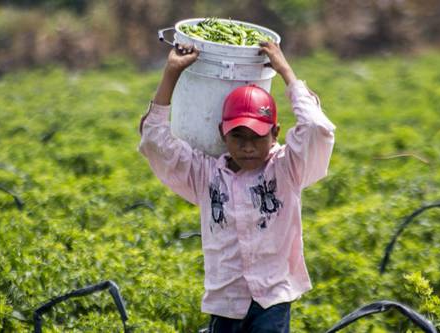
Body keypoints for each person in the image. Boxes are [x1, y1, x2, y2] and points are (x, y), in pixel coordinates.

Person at [138, 41, 336, 333]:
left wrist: (284, 71)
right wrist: (171, 73)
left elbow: (317, 128)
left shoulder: (286, 169)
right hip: (225, 302)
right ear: (222, 134)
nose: (247, 147)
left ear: (274, 134)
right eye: (237, 136)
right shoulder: (205, 175)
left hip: (272, 300)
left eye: (257, 136)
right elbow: (155, 141)